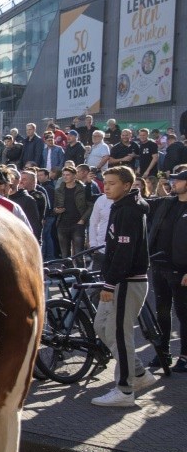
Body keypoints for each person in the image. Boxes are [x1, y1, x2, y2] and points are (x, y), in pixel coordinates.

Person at [91, 166, 158, 406]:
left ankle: (125, 390)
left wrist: (109, 283)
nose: (106, 186)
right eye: (105, 182)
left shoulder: (129, 211)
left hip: (128, 281)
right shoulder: (119, 207)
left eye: (112, 183)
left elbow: (124, 252)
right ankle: (138, 373)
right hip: (119, 280)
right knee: (102, 327)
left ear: (127, 186)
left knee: (120, 333)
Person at [144, 166, 187, 373]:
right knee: (162, 311)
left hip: (181, 270)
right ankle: (163, 352)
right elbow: (144, 204)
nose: (174, 183)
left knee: (184, 314)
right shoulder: (167, 203)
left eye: (178, 180)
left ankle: (185, 356)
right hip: (159, 266)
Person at [53, 166, 92, 259]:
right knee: (65, 256)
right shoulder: (59, 190)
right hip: (62, 224)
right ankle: (66, 273)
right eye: (64, 175)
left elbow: (91, 205)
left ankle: (81, 273)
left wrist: (83, 220)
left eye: (68, 175)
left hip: (77, 224)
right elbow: (54, 207)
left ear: (74, 176)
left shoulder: (83, 189)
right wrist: (57, 210)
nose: (65, 177)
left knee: (79, 255)